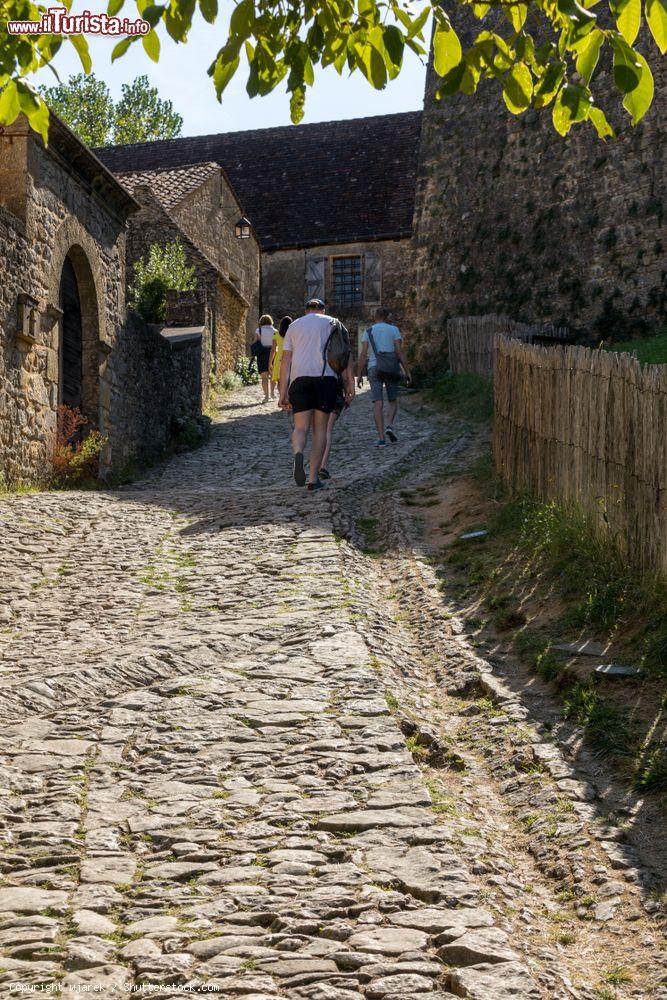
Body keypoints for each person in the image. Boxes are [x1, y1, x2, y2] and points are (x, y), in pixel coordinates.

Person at [279, 298, 355, 492]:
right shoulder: (333, 323)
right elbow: (344, 355)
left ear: (306, 311)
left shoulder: (293, 327)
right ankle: (313, 479)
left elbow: (285, 362)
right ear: (322, 309)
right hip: (326, 380)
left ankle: (298, 453)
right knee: (320, 430)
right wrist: (349, 385)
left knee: (300, 427)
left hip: (300, 381)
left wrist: (283, 392)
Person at [356, 307, 411, 446]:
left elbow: (363, 354)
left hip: (374, 368)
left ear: (375, 317)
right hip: (391, 368)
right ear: (387, 317)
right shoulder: (394, 330)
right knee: (392, 400)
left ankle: (381, 439)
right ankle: (389, 426)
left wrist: (360, 374)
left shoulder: (368, 331)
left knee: (377, 404)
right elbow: (399, 351)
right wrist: (407, 371)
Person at [319, 376, 347, 481]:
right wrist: (349, 389)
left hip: (318, 389)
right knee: (328, 430)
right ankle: (323, 465)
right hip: (335, 390)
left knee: (319, 429)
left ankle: (317, 465)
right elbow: (346, 373)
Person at [253, 314, 277, 402]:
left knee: (264, 377)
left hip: (262, 354)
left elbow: (255, 342)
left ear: (261, 321)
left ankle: (266, 396)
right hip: (273, 353)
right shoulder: (275, 331)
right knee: (273, 375)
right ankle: (272, 393)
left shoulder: (258, 330)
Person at [268, 315, 292, 401]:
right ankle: (287, 399)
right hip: (290, 359)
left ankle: (282, 398)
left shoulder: (276, 335)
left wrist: (270, 362)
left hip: (279, 360)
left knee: (279, 381)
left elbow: (273, 350)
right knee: (289, 381)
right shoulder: (292, 334)